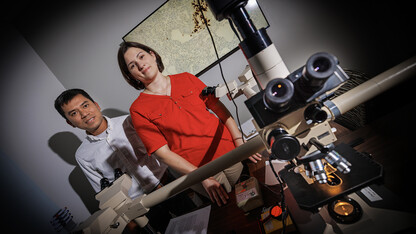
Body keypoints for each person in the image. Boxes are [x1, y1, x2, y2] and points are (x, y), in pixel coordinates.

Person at [117, 41, 262, 207]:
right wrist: (201, 176)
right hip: (199, 171)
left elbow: (220, 111)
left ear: (152, 54)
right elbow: (162, 153)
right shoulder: (138, 109)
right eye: (132, 66)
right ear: (131, 75)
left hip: (231, 153)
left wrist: (239, 143)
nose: (141, 65)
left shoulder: (187, 78)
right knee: (230, 211)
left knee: (255, 198)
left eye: (141, 56)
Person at [54, 88, 195, 233]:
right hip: (139, 208)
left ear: (96, 105)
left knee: (200, 223)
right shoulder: (82, 155)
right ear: (70, 123)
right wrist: (130, 221)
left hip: (167, 185)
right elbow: (103, 192)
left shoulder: (129, 121)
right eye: (74, 113)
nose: (84, 114)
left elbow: (165, 150)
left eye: (85, 105)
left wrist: (186, 180)